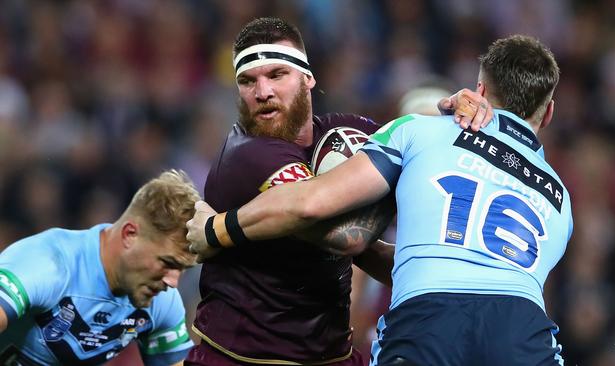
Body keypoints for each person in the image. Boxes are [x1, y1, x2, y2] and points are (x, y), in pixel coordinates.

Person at [188, 35, 573, 366]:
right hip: (524, 332)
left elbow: (310, 204)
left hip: (429, 320)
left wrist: (216, 228)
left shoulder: (419, 130)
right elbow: (479, 274)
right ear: (550, 112)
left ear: (481, 91)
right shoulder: (561, 199)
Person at [0, 169, 200, 366]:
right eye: (167, 263)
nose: (173, 282)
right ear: (129, 234)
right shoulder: (49, 263)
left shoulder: (161, 301)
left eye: (182, 269)